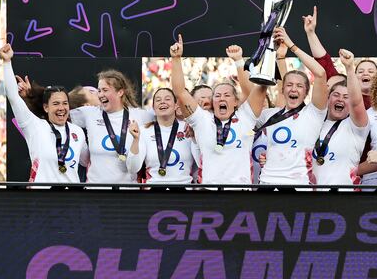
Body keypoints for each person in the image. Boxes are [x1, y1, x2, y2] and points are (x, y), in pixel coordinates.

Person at [170, 38, 266, 185]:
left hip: (241, 194)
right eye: (217, 95)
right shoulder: (201, 120)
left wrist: (239, 61)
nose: (222, 98)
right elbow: (180, 93)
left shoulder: (246, 118)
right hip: (210, 195)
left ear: (236, 102)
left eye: (227, 95)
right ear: (212, 101)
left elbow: (252, 91)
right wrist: (176, 59)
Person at [256, 15, 329, 186]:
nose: (293, 89)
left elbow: (320, 73)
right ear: (282, 90)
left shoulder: (314, 113)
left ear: (306, 92)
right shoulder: (269, 115)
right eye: (289, 85)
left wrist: (291, 45)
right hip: (267, 184)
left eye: (299, 86)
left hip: (299, 186)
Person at [0, 44, 89, 183]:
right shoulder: (34, 126)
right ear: (46, 107)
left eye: (65, 103)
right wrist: (7, 62)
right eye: (56, 104)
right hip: (42, 198)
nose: (61, 108)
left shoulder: (77, 132)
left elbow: (88, 161)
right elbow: (13, 96)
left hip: (72, 199)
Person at [69, 69, 154, 183]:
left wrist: (185, 128)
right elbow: (59, 112)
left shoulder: (139, 115)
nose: (100, 94)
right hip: (95, 191)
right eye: (99, 91)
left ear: (120, 92)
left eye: (105, 90)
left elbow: (166, 117)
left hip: (127, 191)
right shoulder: (89, 113)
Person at [313, 49, 370, 187]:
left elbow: (357, 102)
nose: (341, 99)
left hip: (343, 197)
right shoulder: (313, 122)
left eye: (346, 97)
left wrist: (350, 68)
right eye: (336, 95)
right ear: (328, 98)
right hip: (310, 196)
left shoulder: (356, 127)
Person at [125, 88, 196, 184]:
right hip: (155, 192)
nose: (162, 102)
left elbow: (201, 163)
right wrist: (136, 140)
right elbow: (132, 168)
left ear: (176, 105)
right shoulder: (144, 131)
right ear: (153, 107)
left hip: (183, 192)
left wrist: (195, 138)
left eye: (167, 99)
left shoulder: (187, 129)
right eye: (158, 100)